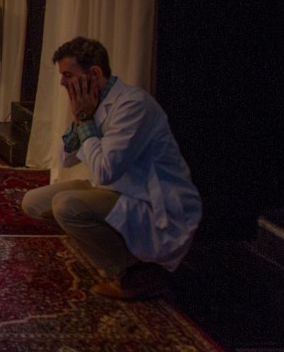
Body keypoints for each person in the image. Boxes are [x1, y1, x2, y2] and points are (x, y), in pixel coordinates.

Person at [21, 37, 202, 300]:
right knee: (33, 202)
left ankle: (139, 273)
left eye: (68, 75)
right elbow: (66, 159)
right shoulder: (93, 101)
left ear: (94, 73)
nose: (62, 83)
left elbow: (105, 171)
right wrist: (80, 118)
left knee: (66, 206)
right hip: (115, 188)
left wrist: (85, 119)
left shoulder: (133, 105)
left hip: (150, 200)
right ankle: (117, 247)